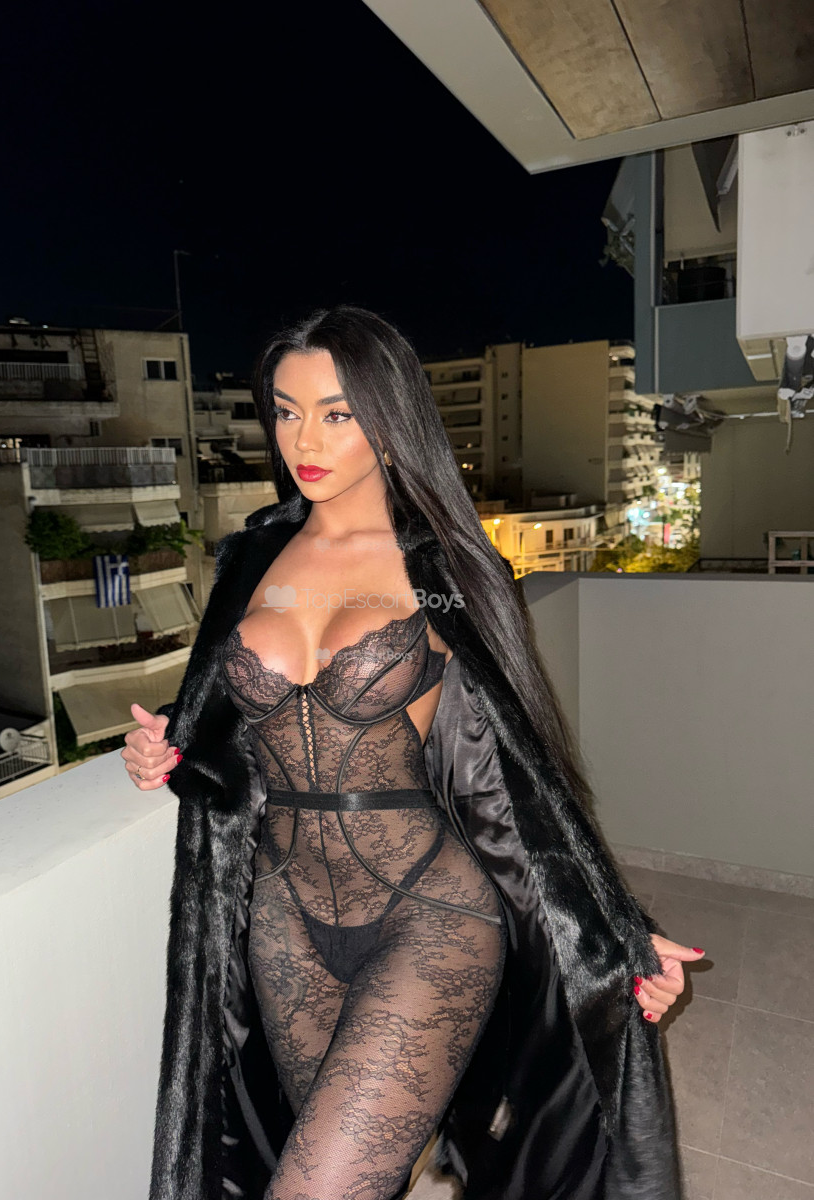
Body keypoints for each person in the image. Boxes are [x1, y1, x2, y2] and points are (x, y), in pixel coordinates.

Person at [123, 306, 704, 1200]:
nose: (303, 440)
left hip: (428, 913)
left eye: (336, 413)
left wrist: (616, 931)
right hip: (281, 921)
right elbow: (222, 716)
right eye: (286, 411)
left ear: (389, 421)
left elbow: (527, 769)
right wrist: (164, 742)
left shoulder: (446, 567)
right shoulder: (248, 558)